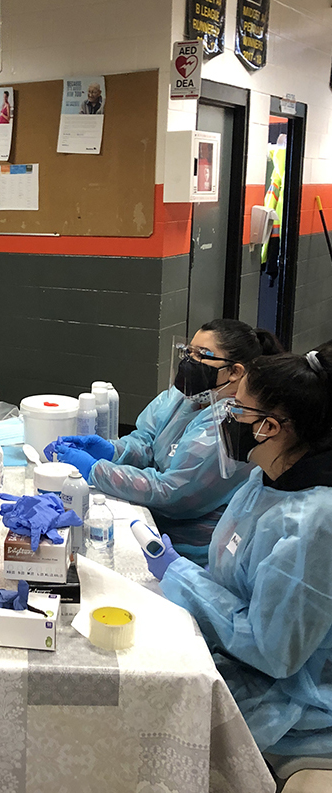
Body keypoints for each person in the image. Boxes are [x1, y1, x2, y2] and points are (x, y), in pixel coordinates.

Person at [144, 346, 332, 757]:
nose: (224, 418)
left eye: (236, 410)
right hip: (237, 660)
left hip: (290, 707)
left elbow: (273, 652)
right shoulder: (265, 478)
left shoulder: (315, 523)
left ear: (269, 426)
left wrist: (180, 576)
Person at [49, 320, 283, 562]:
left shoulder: (233, 423)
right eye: (188, 352)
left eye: (201, 355)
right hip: (152, 520)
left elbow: (172, 492)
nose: (189, 361)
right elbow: (149, 440)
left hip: (188, 549)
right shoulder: (185, 397)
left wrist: (96, 469)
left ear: (235, 372)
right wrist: (112, 451)